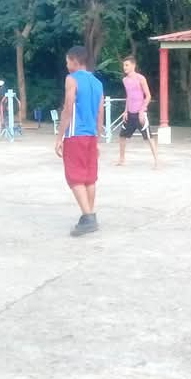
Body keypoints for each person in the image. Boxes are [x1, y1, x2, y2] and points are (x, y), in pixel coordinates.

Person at [55, 46, 104, 237]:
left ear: (75, 61)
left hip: (75, 134)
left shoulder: (72, 79)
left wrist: (60, 137)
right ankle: (89, 215)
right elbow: (100, 113)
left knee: (74, 177)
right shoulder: (98, 83)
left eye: (68, 61)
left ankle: (88, 216)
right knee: (89, 177)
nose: (67, 66)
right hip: (91, 135)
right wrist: (97, 138)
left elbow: (68, 108)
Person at [115, 55, 159, 168]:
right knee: (122, 136)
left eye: (127, 65)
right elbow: (128, 97)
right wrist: (125, 111)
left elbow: (148, 96)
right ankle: (122, 159)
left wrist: (142, 110)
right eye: (124, 65)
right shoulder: (124, 80)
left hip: (140, 113)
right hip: (130, 113)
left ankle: (157, 161)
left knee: (149, 137)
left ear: (133, 65)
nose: (124, 67)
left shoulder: (140, 78)